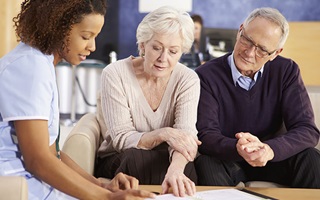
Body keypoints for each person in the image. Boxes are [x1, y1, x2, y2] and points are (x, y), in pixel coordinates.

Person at [0, 0, 155, 199]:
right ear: (57, 27)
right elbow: (37, 160)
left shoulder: (39, 62)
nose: (92, 46)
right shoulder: (30, 67)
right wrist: (105, 198)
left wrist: (100, 185)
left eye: (95, 37)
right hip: (18, 188)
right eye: (85, 36)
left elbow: (51, 152)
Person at [195, 7, 320, 188]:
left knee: (311, 159)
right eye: (247, 40)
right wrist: (239, 147)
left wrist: (269, 149)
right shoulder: (206, 75)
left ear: (275, 53)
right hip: (228, 158)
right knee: (206, 163)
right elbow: (205, 134)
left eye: (262, 49)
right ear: (239, 31)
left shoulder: (286, 71)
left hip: (273, 157)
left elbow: (307, 130)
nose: (249, 53)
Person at [95, 6, 201, 197]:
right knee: (136, 160)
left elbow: (186, 137)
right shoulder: (115, 74)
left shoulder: (188, 79)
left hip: (166, 159)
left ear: (182, 52)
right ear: (143, 45)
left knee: (185, 170)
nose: (163, 59)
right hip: (121, 158)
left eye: (173, 51)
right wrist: (165, 134)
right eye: (156, 48)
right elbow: (121, 139)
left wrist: (176, 170)